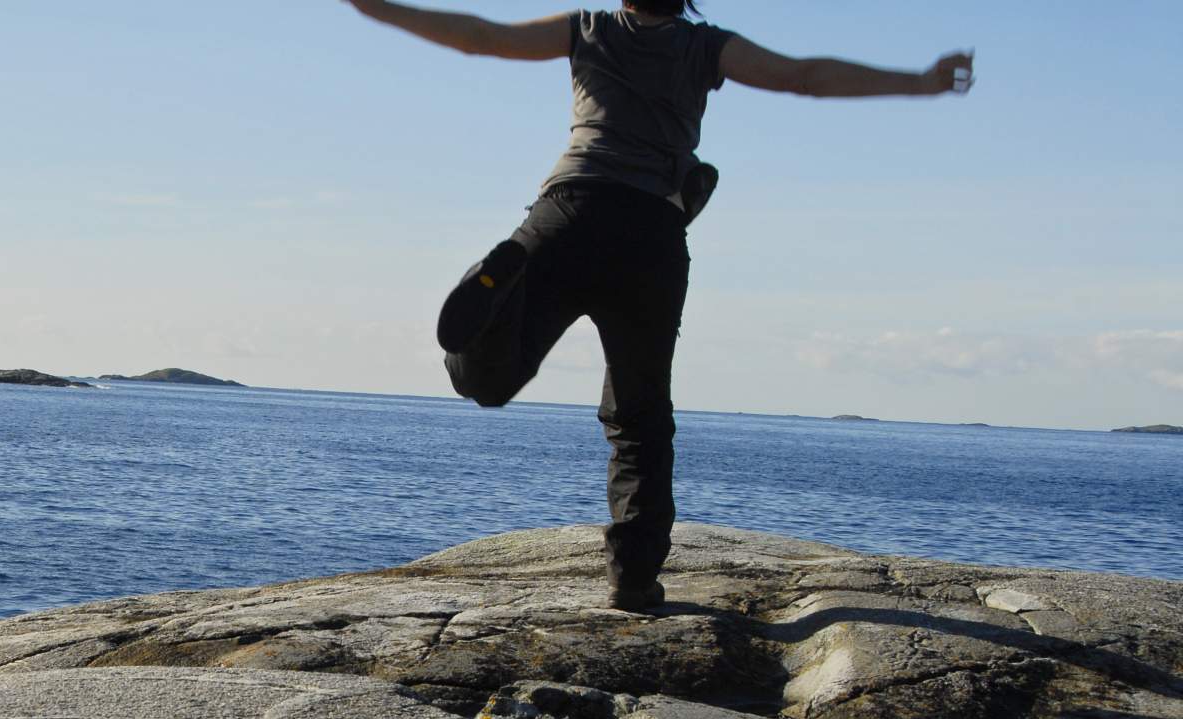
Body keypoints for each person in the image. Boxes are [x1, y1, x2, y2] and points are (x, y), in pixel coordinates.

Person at [341, 0, 974, 612]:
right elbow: (804, 76)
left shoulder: (587, 29)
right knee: (640, 419)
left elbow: (481, 35)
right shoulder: (706, 46)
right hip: (651, 236)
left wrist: (380, 8)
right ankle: (633, 581)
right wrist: (921, 81)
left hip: (568, 213)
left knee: (485, 379)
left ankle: (494, 281)